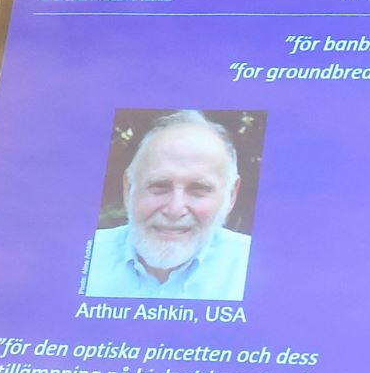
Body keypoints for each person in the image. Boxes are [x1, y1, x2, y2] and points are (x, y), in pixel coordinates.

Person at [83, 109, 251, 299]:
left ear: (231, 195)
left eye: (199, 190)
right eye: (159, 186)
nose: (175, 209)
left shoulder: (256, 268)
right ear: (128, 188)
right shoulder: (81, 257)